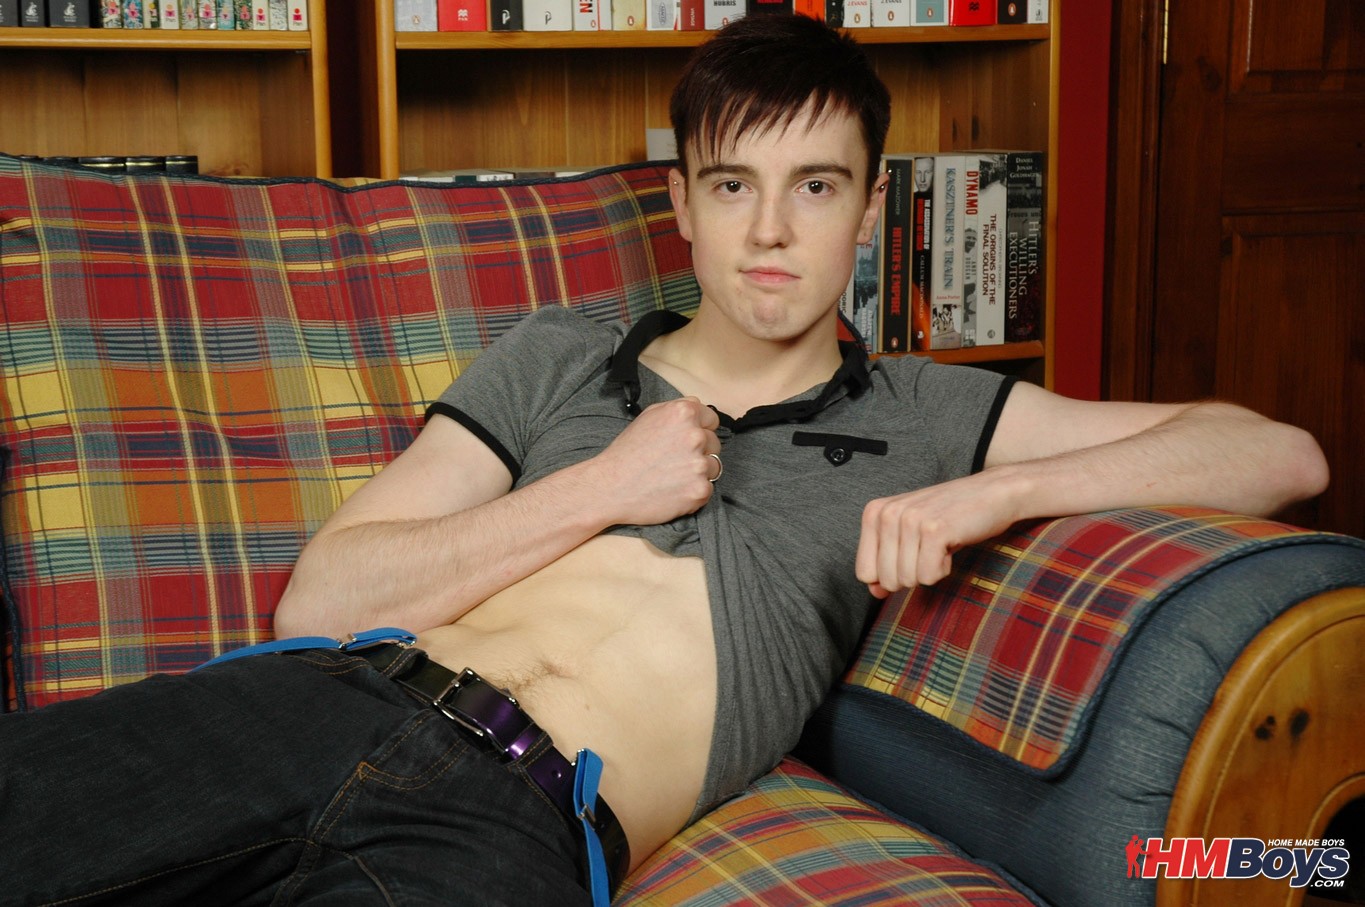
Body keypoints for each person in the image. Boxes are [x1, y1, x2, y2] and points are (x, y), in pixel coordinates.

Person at [0, 14, 1328, 907]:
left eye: (816, 186)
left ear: (872, 206)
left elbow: (1277, 454)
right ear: (682, 200)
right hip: (319, 704)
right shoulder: (563, 353)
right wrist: (602, 488)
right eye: (733, 184)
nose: (771, 231)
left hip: (511, 819)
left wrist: (1001, 489)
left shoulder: (926, 411)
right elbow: (322, 599)